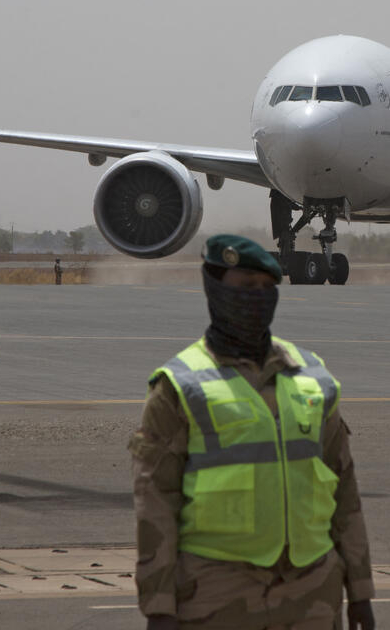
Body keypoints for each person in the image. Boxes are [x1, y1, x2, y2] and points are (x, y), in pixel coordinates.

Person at [129, 234, 376, 630]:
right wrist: (159, 606)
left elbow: (344, 490)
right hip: (217, 596)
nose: (258, 297)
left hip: (311, 594)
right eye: (245, 287)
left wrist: (359, 589)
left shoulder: (312, 377)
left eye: (266, 288)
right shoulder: (181, 385)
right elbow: (156, 501)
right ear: (215, 289)